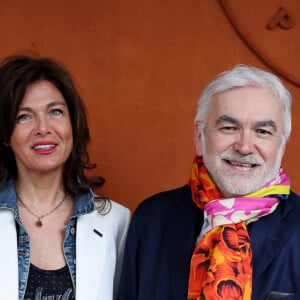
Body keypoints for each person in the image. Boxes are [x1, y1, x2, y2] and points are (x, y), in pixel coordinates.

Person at [117, 65, 300, 300]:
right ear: (199, 138)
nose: (244, 146)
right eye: (229, 128)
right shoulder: (152, 220)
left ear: (281, 146)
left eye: (263, 131)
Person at [0, 55, 130, 300]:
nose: (43, 128)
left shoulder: (116, 221)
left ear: (73, 124)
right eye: (24, 116)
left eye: (56, 112)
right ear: (5, 134)